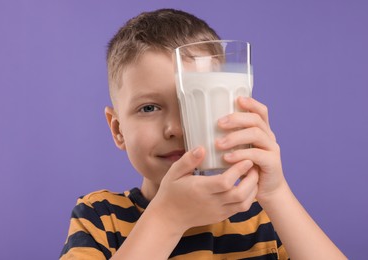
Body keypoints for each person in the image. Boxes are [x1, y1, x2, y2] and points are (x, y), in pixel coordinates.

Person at [60, 8, 346, 259]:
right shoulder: (100, 217)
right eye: (149, 107)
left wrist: (277, 193)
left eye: (191, 104)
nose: (176, 128)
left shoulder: (263, 218)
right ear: (118, 129)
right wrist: (167, 218)